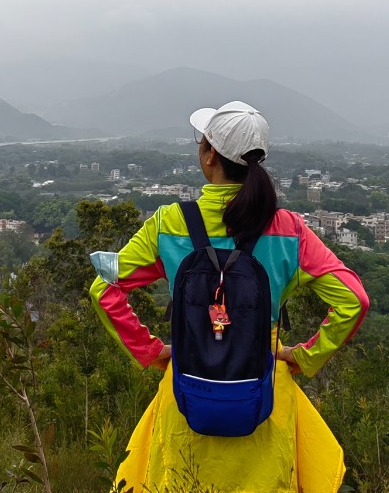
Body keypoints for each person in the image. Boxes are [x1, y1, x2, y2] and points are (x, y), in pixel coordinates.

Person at [89, 100, 370, 492]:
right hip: (263, 402)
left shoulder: (169, 223)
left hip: (186, 400)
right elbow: (354, 300)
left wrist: (150, 351)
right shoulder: (288, 230)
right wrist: (305, 357)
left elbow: (104, 289)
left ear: (209, 155)